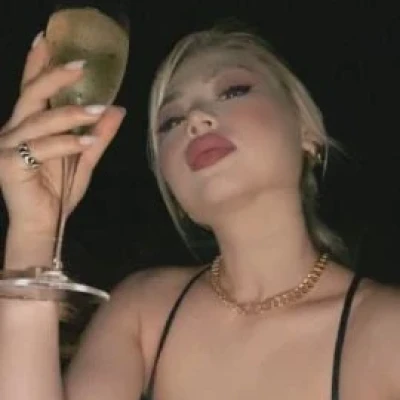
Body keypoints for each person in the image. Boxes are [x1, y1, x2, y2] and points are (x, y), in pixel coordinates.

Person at [0, 26, 399, 400]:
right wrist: (34, 233)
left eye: (233, 91)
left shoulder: (385, 330)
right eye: (170, 121)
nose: (194, 120)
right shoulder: (142, 311)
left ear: (306, 131)